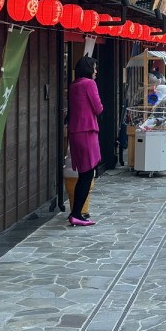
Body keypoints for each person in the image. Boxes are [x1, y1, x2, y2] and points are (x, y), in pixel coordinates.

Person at [66, 55, 103, 226]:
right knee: (87, 174)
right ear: (89, 69)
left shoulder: (74, 85)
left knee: (83, 173)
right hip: (87, 131)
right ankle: (76, 214)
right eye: (94, 67)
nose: (96, 71)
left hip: (75, 132)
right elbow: (98, 108)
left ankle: (76, 212)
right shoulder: (89, 84)